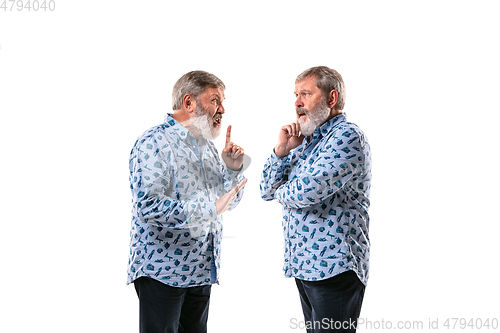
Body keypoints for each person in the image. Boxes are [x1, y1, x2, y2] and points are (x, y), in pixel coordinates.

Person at [127, 70, 247, 333]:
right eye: (215, 100)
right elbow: (147, 206)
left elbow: (226, 204)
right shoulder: (153, 141)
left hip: (201, 270)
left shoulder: (206, 147)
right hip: (163, 272)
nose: (222, 109)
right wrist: (209, 209)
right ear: (189, 102)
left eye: (222, 101)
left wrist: (231, 170)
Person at [260, 66, 371, 332]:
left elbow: (304, 193)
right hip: (306, 266)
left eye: (306, 94)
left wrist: (283, 190)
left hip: (334, 270)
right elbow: (265, 189)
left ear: (331, 99)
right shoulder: (307, 141)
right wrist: (281, 152)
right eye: (296, 94)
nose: (297, 102)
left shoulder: (346, 138)